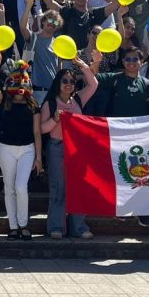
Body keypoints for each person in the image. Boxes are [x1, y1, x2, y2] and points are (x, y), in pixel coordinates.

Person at [92, 47, 149, 226]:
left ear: (141, 63)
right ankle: (122, 208)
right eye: (127, 59)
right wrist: (96, 62)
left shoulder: (146, 84)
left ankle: (142, 211)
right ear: (123, 62)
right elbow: (92, 79)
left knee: (142, 174)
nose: (131, 62)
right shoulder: (114, 79)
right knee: (120, 172)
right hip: (117, 135)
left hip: (141, 137)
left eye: (135, 59)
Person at [40, 58, 99, 239]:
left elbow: (93, 84)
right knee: (58, 188)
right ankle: (56, 227)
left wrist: (83, 65)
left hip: (77, 150)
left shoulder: (79, 99)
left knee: (78, 188)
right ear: (58, 83)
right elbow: (43, 129)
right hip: (57, 148)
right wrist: (55, 119)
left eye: (72, 81)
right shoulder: (50, 103)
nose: (68, 84)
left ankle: (79, 228)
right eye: (65, 81)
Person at [0, 54, 43, 239]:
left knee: (21, 187)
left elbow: (37, 132)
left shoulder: (34, 105)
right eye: (16, 81)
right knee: (9, 187)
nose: (20, 85)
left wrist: (39, 157)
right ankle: (13, 226)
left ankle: (23, 224)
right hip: (6, 148)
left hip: (27, 149)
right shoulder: (5, 101)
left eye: (23, 81)